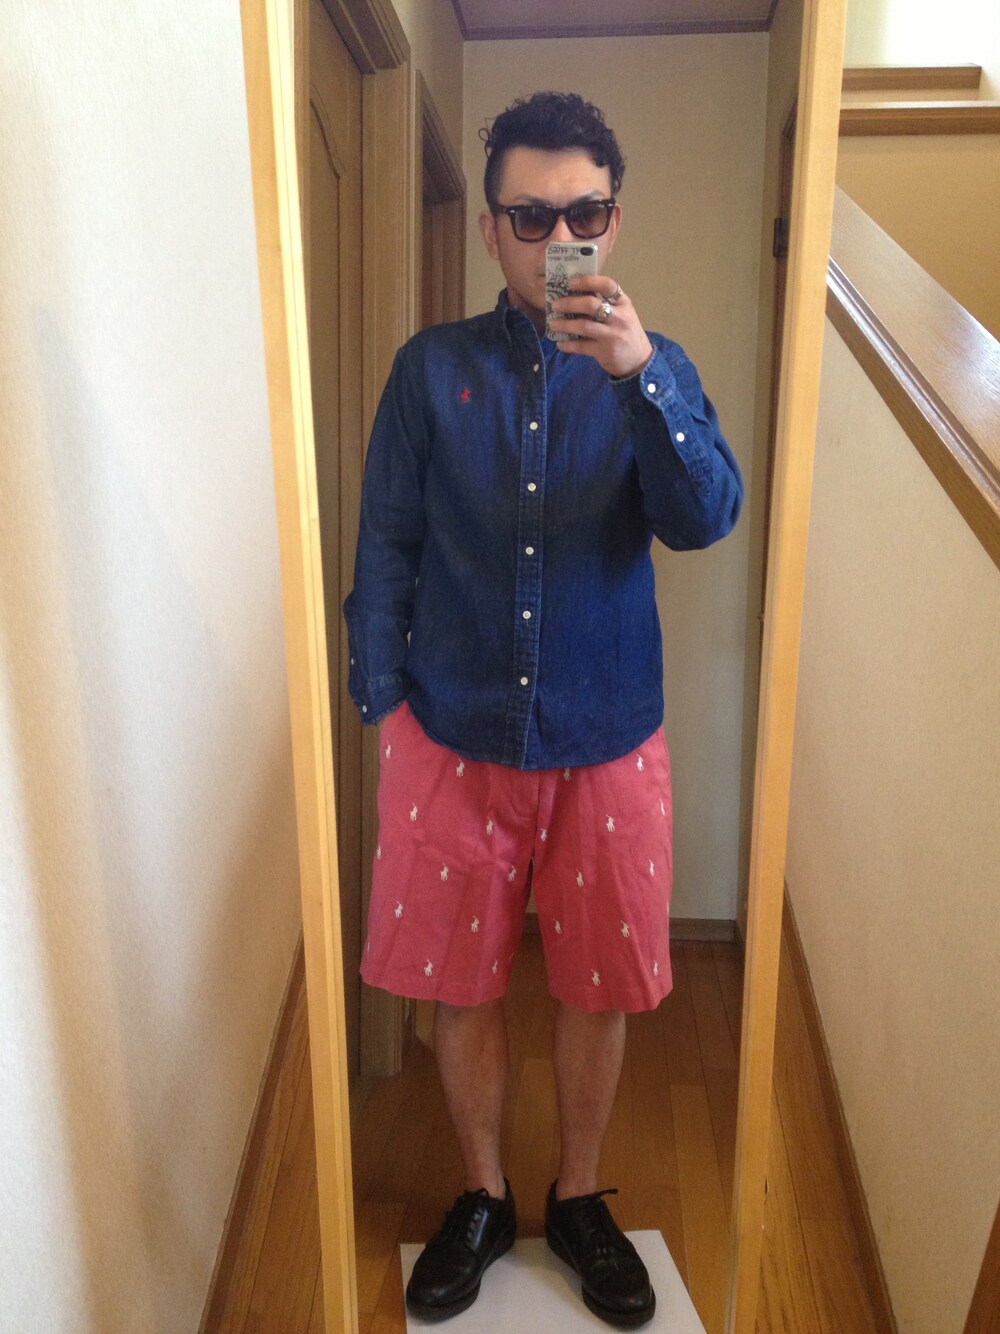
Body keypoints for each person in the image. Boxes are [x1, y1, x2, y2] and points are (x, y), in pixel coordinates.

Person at [344, 91, 742, 1328]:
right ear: (491, 229)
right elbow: (387, 540)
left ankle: (574, 1194)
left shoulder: (655, 368)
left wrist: (638, 377)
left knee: (598, 983)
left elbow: (705, 516)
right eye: (530, 216)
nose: (557, 237)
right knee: (458, 981)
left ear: (614, 220)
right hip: (449, 730)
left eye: (583, 212)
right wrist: (383, 705)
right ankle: (480, 1191)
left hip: (607, 729)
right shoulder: (429, 371)